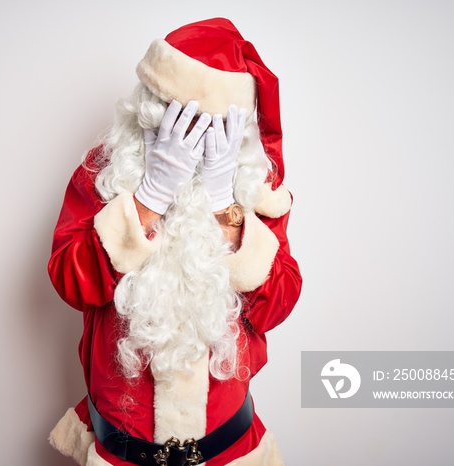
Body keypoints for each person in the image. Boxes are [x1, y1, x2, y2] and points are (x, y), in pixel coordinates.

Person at [47, 18, 302, 466]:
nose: (192, 138)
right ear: (150, 109)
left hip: (230, 452)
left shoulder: (256, 189)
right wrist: (150, 198)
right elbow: (70, 280)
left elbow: (276, 305)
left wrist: (226, 207)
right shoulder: (106, 172)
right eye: (178, 118)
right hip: (122, 451)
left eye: (210, 127)